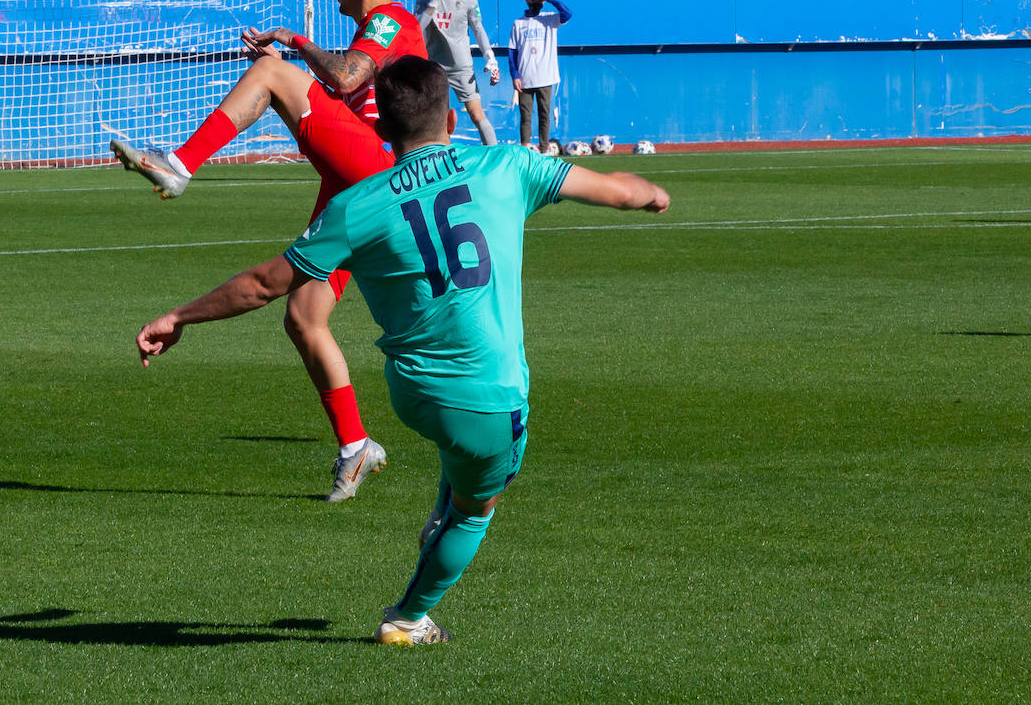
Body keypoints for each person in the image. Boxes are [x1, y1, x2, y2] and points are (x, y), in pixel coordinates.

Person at [134, 55, 670, 645]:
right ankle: (409, 618)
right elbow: (625, 192)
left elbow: (263, 285)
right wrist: (653, 196)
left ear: (382, 131)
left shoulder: (355, 205)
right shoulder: (508, 165)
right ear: (451, 117)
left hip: (411, 391)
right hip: (488, 395)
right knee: (477, 506)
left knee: (457, 447)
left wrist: (179, 315)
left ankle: (440, 507)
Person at [109, 0, 428, 503]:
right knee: (304, 318)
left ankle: (180, 166)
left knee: (275, 74)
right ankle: (356, 447)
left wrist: (295, 44)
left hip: (380, 170)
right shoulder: (381, 31)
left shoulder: (390, 21)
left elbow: (349, 76)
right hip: (356, 183)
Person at [413, 0, 501, 146]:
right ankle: (442, 160)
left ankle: (495, 157)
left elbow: (478, 29)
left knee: (476, 114)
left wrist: (490, 58)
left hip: (461, 66)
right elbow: (417, 28)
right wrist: (433, 2)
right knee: (437, 120)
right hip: (434, 67)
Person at [507, 0, 571, 150]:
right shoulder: (518, 23)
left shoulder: (550, 19)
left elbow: (567, 14)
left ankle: (543, 148)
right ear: (527, 0)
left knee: (544, 115)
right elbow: (512, 51)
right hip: (525, 78)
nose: (536, 1)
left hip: (545, 76)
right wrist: (515, 76)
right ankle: (525, 147)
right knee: (525, 116)